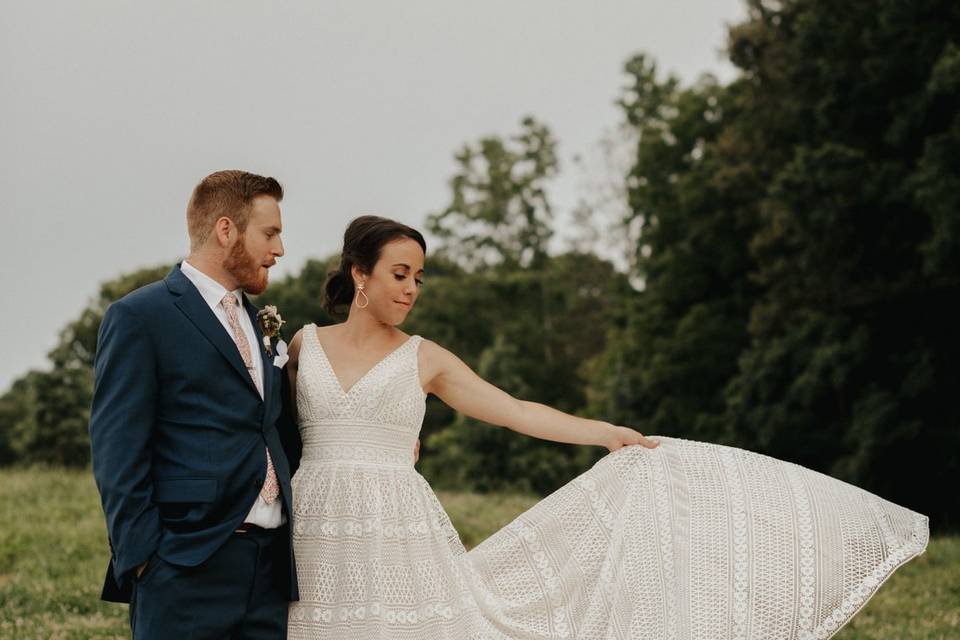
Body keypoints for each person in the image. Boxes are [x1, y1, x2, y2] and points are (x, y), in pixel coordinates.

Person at [283, 214, 929, 640]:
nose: (412, 289)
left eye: (420, 278)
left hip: (398, 526)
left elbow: (518, 411)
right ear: (359, 273)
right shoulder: (301, 347)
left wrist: (602, 432)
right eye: (400, 274)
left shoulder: (424, 358)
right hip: (316, 523)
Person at [90, 170, 299, 638]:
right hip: (184, 564)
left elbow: (274, 428)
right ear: (227, 230)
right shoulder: (141, 317)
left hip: (269, 570)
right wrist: (145, 559)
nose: (280, 249)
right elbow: (116, 450)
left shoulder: (259, 321)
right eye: (270, 233)